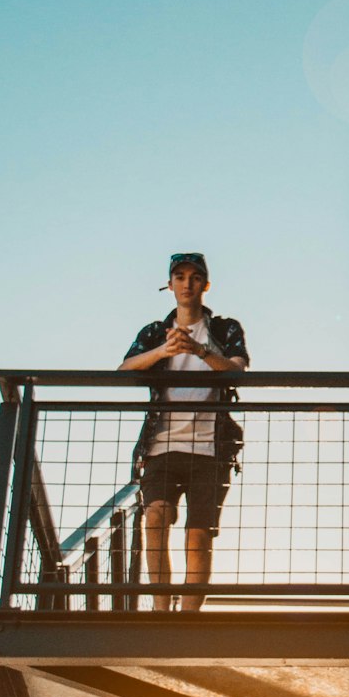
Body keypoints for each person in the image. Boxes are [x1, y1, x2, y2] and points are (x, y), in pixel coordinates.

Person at [119, 252, 249, 610]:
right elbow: (125, 369)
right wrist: (165, 348)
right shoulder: (153, 331)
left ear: (205, 285)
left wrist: (200, 350)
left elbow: (237, 371)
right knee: (156, 519)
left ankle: (189, 618)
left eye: (194, 277)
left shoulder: (224, 329)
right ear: (170, 284)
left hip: (210, 449)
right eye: (180, 277)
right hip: (161, 446)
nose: (187, 283)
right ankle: (162, 612)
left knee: (198, 536)